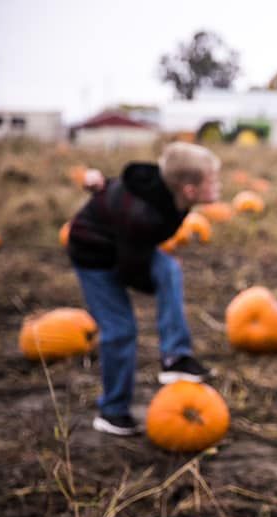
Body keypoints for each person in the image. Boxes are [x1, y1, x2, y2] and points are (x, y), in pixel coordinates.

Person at [67, 142, 220, 436]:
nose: (219, 185)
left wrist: (103, 183)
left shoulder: (162, 188)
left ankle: (175, 357)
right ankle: (112, 412)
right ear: (189, 190)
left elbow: (124, 188)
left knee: (169, 269)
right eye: (213, 180)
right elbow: (132, 270)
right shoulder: (144, 217)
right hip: (94, 257)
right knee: (120, 330)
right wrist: (156, 291)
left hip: (122, 244)